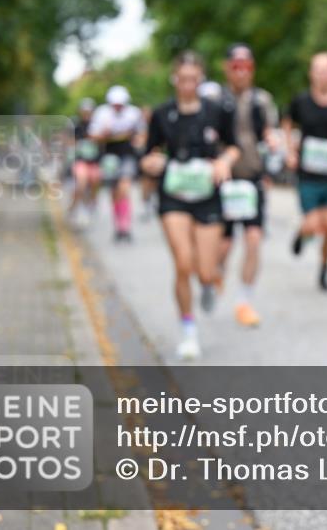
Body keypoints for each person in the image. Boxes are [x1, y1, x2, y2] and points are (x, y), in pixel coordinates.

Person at [140, 51, 239, 360]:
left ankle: (209, 283)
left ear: (201, 79)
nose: (187, 85)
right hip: (174, 196)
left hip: (207, 195)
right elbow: (147, 154)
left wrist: (224, 161)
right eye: (182, 79)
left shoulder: (216, 111)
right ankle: (188, 330)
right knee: (183, 263)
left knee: (205, 272)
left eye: (193, 79)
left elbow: (234, 146)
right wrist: (152, 162)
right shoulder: (162, 114)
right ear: (174, 80)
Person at [282, 52, 327, 291]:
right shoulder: (301, 101)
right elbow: (287, 122)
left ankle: (324, 268)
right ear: (311, 74)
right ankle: (301, 235)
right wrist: (290, 150)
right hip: (308, 173)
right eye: (318, 70)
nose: (323, 75)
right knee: (313, 224)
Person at [217, 43, 278, 327]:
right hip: (222, 180)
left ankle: (245, 300)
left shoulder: (261, 100)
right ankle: (214, 277)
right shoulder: (215, 99)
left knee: (253, 239)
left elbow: (268, 133)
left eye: (247, 66)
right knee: (223, 244)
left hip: (252, 179)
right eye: (236, 66)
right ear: (228, 69)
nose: (241, 72)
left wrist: (274, 145)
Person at [89, 85, 145, 242]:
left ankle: (125, 226)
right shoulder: (102, 114)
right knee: (114, 191)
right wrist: (103, 135)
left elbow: (142, 134)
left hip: (127, 155)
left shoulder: (134, 114)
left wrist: (136, 138)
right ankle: (118, 226)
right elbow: (93, 136)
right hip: (109, 156)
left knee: (124, 188)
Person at [70, 98, 102, 227]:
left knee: (95, 180)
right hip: (81, 161)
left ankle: (91, 203)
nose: (86, 113)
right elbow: (69, 142)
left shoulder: (98, 125)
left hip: (94, 162)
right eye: (84, 111)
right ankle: (77, 207)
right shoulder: (76, 126)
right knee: (81, 182)